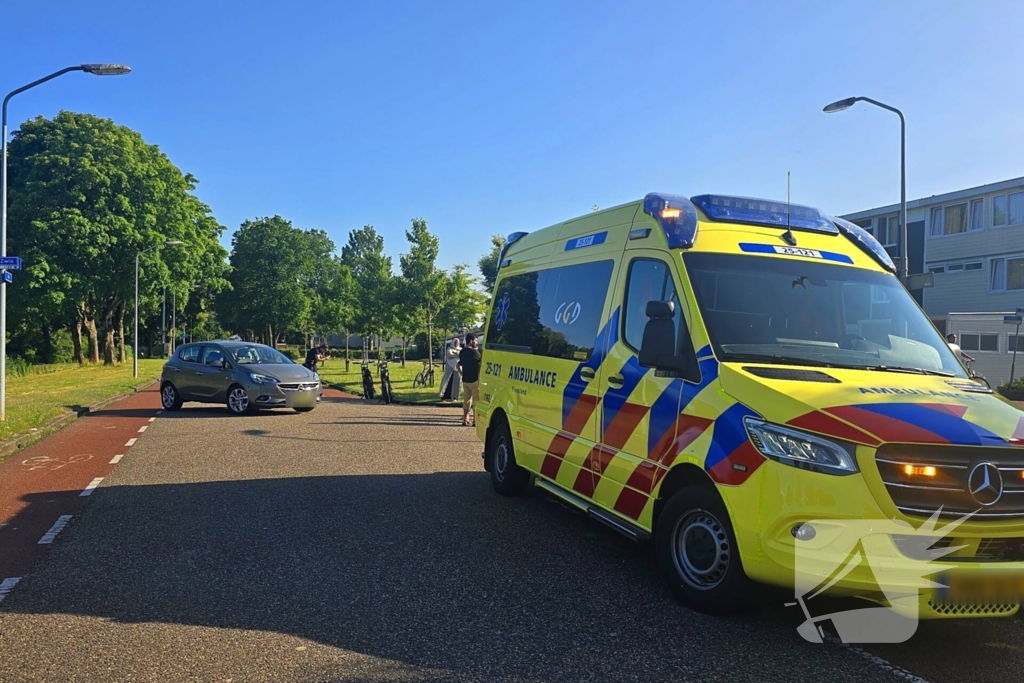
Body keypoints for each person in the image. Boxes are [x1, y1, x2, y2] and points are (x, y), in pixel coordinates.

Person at [457, 333, 481, 426]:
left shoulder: (462, 351)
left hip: (465, 379)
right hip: (474, 379)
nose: (476, 342)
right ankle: (475, 420)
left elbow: (458, 364)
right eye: (475, 340)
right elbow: (480, 362)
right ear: (471, 341)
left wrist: (461, 373)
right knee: (476, 400)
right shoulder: (475, 353)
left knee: (466, 399)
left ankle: (466, 418)